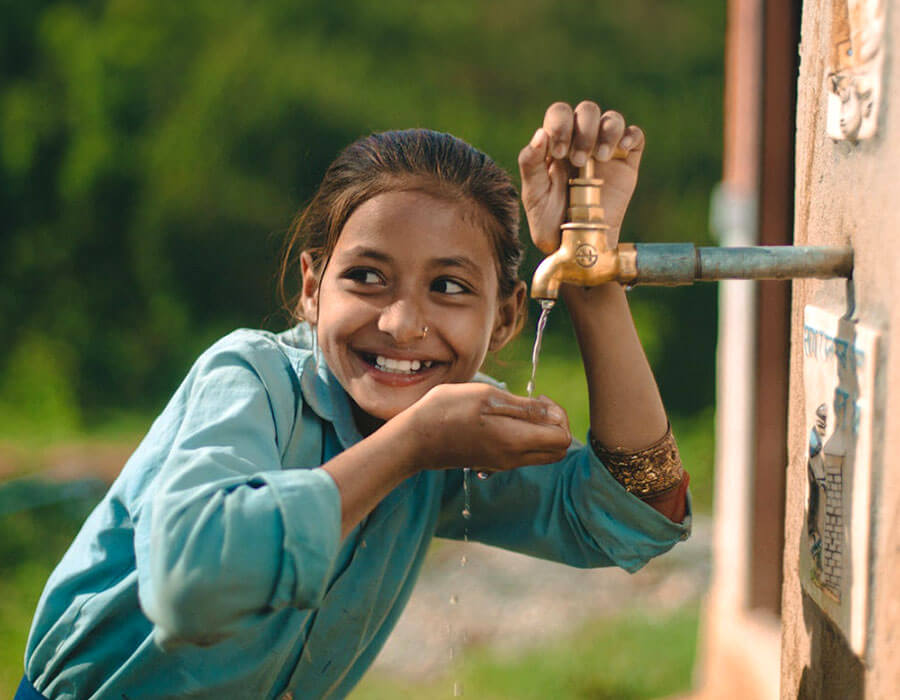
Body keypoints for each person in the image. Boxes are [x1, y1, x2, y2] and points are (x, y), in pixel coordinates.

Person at [19, 101, 690, 699]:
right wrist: (408, 449)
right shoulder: (253, 381)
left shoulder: (448, 431)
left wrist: (588, 275)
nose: (402, 323)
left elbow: (631, 518)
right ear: (313, 288)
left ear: (508, 316)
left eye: (450, 288)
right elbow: (187, 586)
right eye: (367, 277)